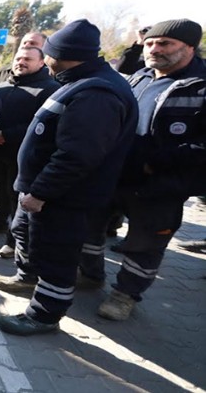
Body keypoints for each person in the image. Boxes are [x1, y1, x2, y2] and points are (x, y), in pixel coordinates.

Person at [0, 19, 138, 336]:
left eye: (47, 52)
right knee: (39, 245)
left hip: (63, 197)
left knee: (56, 256)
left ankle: (44, 316)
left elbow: (77, 155)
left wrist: (41, 192)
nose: (44, 58)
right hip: (51, 193)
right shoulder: (81, 82)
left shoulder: (96, 93)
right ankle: (33, 286)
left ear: (64, 54)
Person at [78, 19, 206, 321]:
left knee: (147, 241)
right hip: (116, 173)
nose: (153, 49)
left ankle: (125, 294)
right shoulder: (139, 77)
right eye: (149, 43)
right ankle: (90, 273)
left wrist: (156, 162)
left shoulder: (201, 85)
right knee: (90, 224)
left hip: (162, 182)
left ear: (189, 47)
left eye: (164, 44)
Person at [0, 47, 59, 260]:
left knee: (16, 196)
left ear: (41, 63)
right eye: (18, 58)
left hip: (25, 155)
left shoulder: (50, 89)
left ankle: (14, 240)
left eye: (28, 59)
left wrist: (8, 134)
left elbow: (45, 124)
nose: (21, 62)